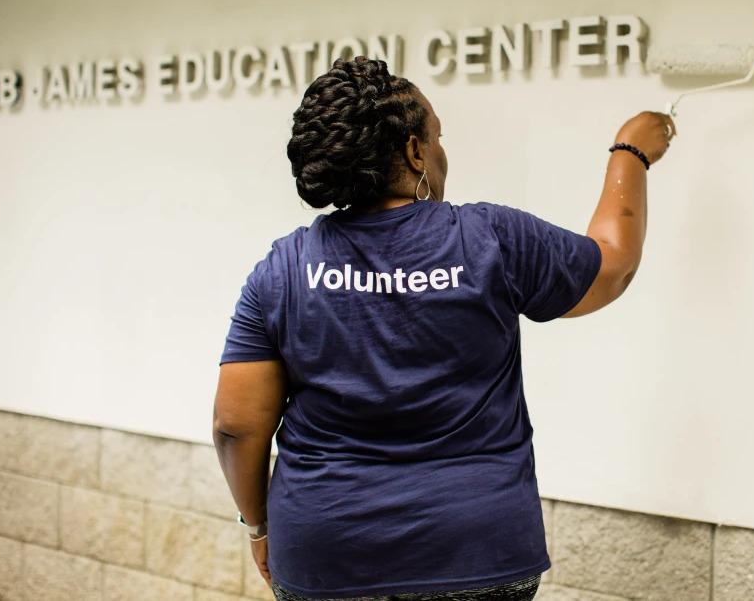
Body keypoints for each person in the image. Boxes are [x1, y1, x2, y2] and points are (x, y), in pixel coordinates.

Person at [212, 55, 675, 601]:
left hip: (326, 552)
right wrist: (631, 152)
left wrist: (259, 526)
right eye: (437, 137)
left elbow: (236, 425)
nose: (440, 150)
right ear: (414, 151)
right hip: (478, 549)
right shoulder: (490, 239)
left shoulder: (283, 268)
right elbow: (612, 264)